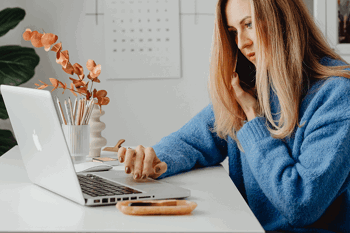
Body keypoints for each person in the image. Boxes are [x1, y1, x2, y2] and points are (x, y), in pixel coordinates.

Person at [118, 0, 350, 232]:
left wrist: (253, 119)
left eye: (248, 24)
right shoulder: (254, 85)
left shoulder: (338, 94)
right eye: (233, 32)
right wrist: (152, 159)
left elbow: (300, 203)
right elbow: (192, 140)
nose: (241, 43)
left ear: (283, 19)